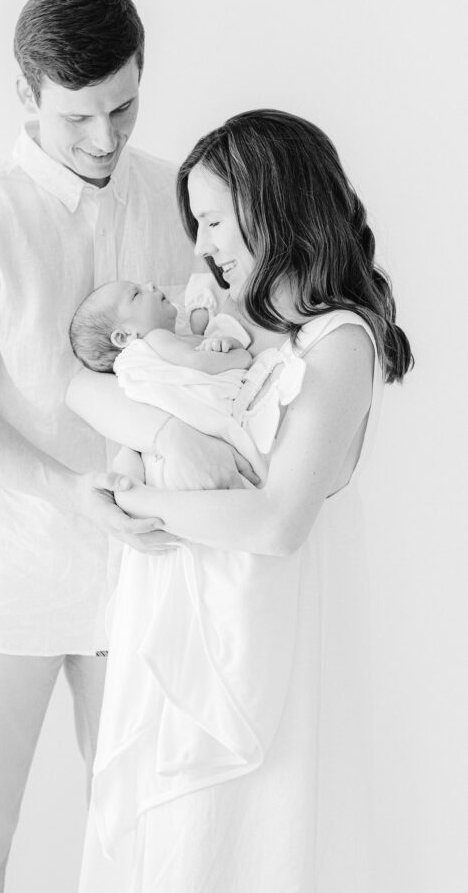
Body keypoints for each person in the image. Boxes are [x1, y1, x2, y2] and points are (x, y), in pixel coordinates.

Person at [0, 0, 250, 893]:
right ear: (26, 95)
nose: (105, 139)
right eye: (78, 118)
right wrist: (72, 494)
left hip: (141, 581)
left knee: (139, 840)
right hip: (1, 579)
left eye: (125, 108)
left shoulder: (180, 199)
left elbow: (217, 346)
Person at [67, 109, 413, 893]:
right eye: (198, 222)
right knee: (170, 853)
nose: (202, 245)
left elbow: (275, 522)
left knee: (240, 850)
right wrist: (151, 445)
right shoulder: (221, 327)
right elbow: (86, 386)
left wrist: (142, 500)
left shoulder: (338, 342)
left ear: (273, 209)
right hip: (180, 628)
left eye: (215, 219)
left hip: (261, 650)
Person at [69, 278, 306, 480]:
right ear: (125, 336)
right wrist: (239, 357)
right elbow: (198, 363)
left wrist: (222, 344)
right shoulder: (155, 339)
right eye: (136, 294)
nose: (150, 285)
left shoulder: (175, 343)